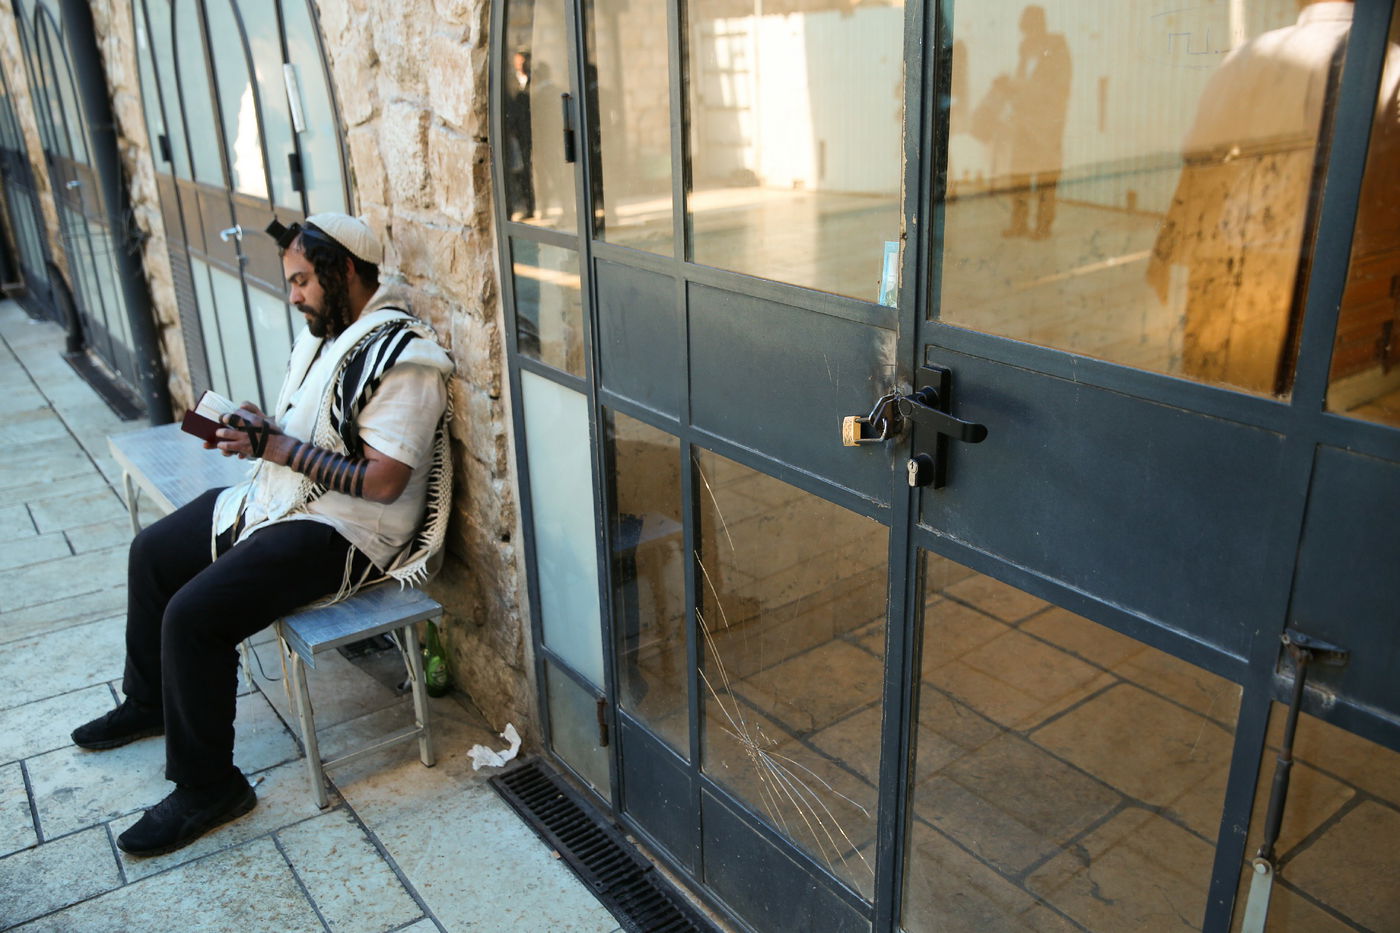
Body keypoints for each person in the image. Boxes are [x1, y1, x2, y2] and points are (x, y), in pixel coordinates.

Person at [70, 214, 453, 857]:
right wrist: (260, 426)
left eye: (304, 280)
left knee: (194, 616)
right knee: (154, 553)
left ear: (347, 271)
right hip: (285, 497)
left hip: (349, 531)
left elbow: (385, 482)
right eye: (293, 281)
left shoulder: (403, 357)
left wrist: (276, 446)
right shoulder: (327, 336)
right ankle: (150, 702)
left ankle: (210, 787)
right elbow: (314, 429)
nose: (295, 294)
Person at [1147, 1, 1356, 394]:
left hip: (1242, 256)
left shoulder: (1255, 55)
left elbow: (1198, 151)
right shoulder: (1389, 63)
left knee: (1218, 383)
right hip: (1344, 279)